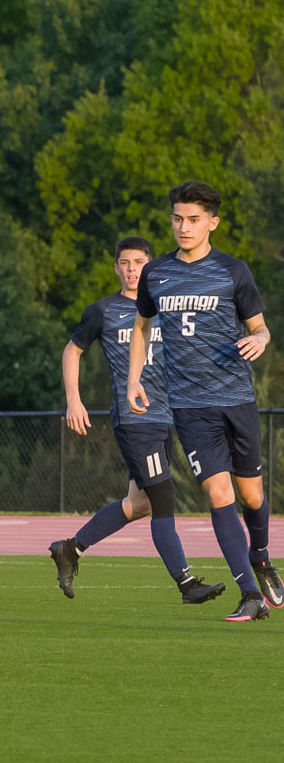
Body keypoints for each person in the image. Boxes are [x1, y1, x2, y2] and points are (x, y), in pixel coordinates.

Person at [128, 180, 283, 622]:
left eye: (193, 219)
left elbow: (261, 327)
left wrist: (260, 340)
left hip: (235, 400)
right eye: (177, 218)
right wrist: (133, 380)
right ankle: (250, 594)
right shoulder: (155, 274)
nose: (184, 227)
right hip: (189, 407)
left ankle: (261, 555)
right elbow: (141, 328)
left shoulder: (233, 271)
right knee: (219, 494)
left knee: (251, 497)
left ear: (212, 222)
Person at [49, 236, 223, 604]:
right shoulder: (103, 311)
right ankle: (187, 584)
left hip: (165, 418)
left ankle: (70, 549)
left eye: (139, 262)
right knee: (163, 498)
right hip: (135, 420)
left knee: (139, 505)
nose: (131, 269)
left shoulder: (163, 308)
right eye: (125, 262)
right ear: (116, 267)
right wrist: (73, 400)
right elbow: (72, 350)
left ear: (150, 266)